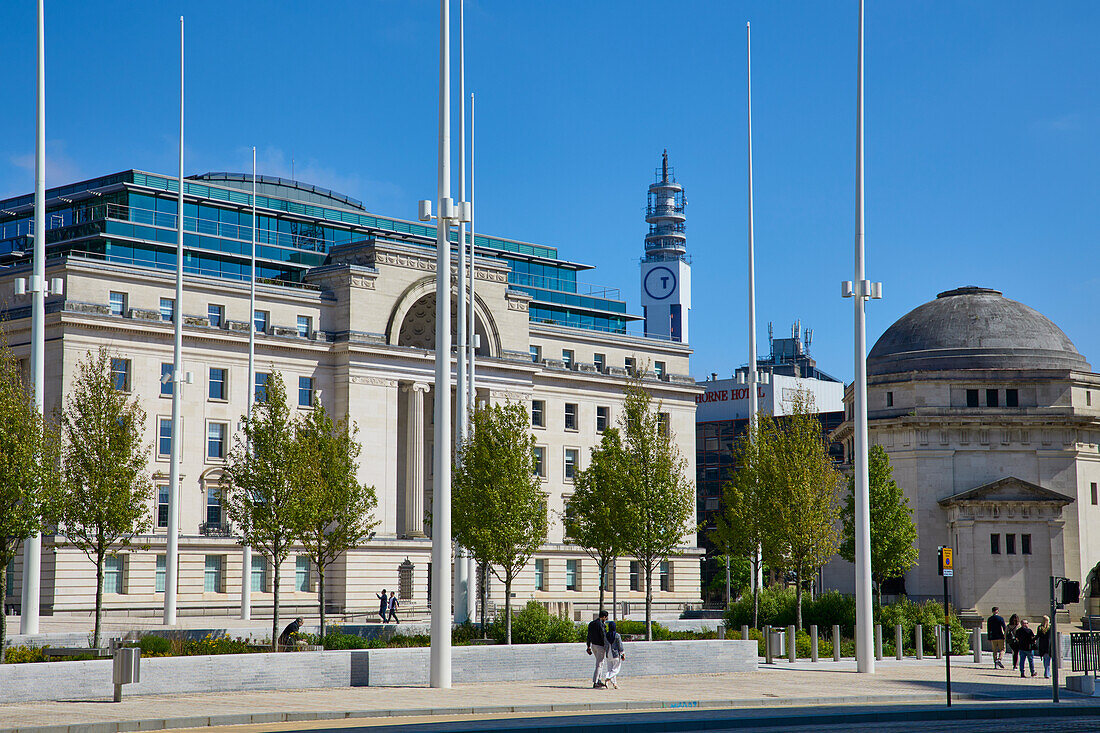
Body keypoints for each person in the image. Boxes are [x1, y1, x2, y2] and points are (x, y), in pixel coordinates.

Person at [586, 609, 609, 688]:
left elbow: (588, 635)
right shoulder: (601, 625)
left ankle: (598, 680)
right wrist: (606, 646)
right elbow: (603, 636)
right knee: (599, 664)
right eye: (606, 618)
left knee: (600, 663)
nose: (606, 619)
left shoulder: (591, 624)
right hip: (600, 646)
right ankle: (596, 681)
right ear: (603, 617)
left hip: (593, 645)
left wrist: (588, 646)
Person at [604, 620, 625, 689]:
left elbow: (605, 645)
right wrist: (622, 654)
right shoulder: (617, 635)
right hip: (615, 654)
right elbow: (620, 646)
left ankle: (614, 683)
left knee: (610, 669)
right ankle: (608, 678)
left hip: (608, 654)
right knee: (616, 669)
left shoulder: (606, 635)